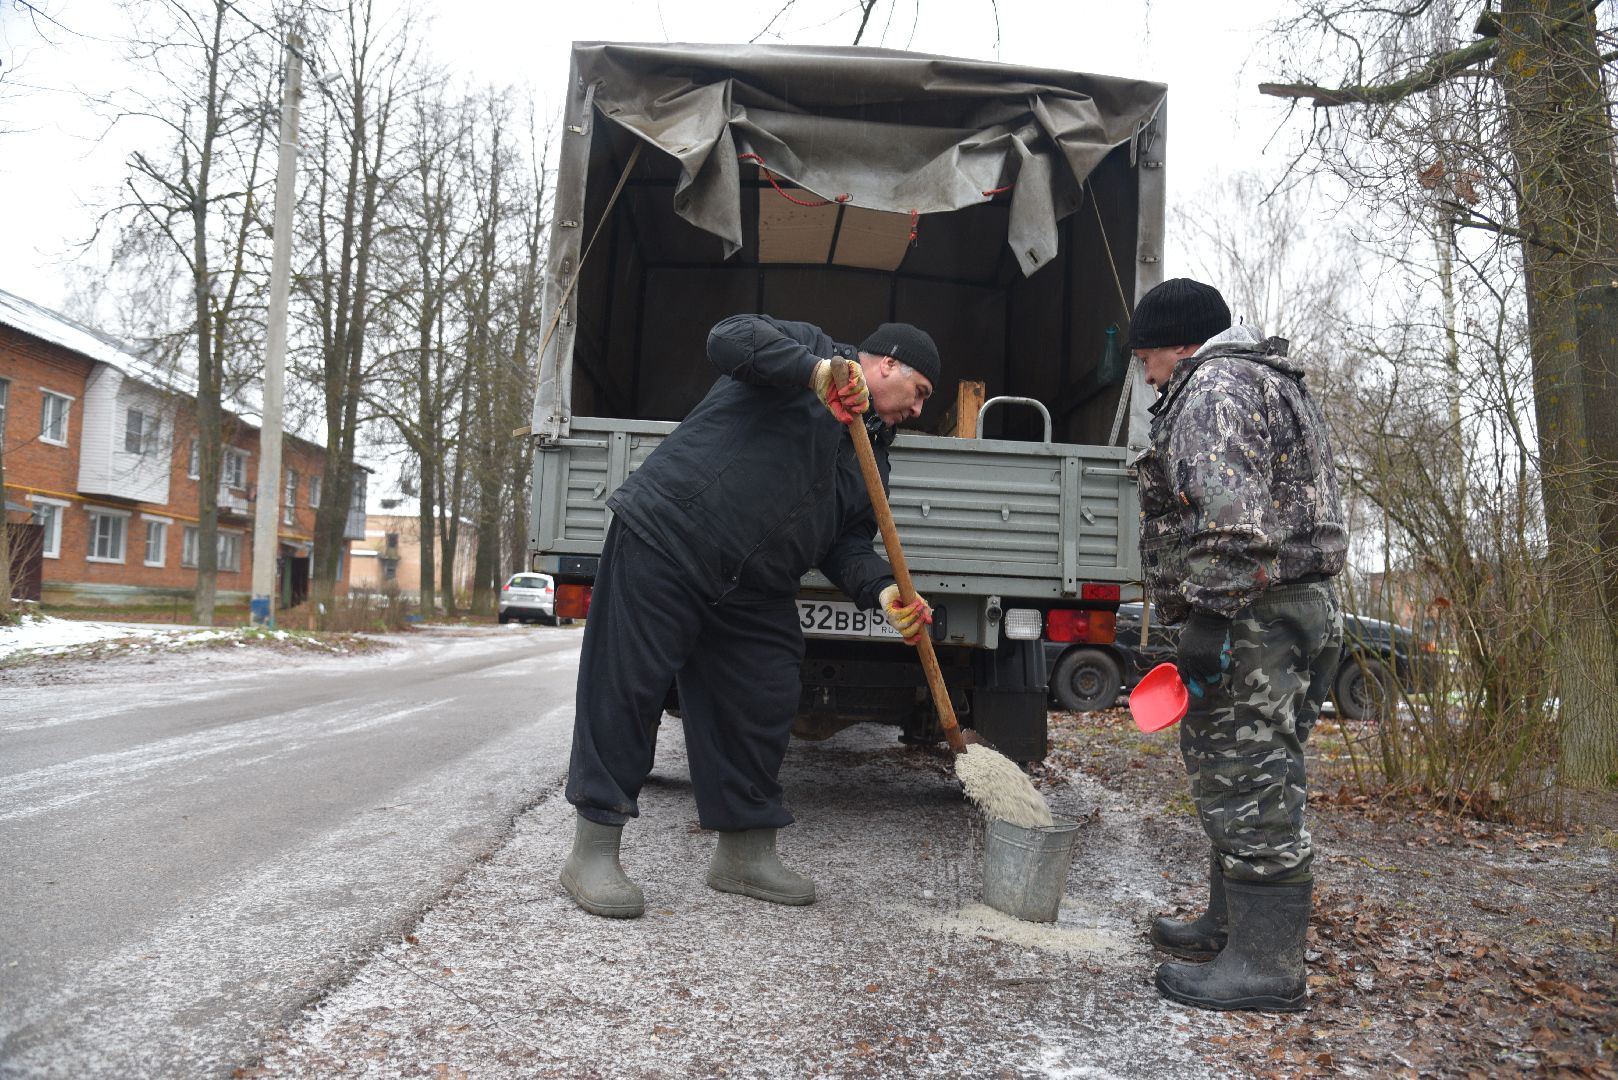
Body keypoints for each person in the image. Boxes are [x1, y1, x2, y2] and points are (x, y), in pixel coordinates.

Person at [560, 315, 941, 919]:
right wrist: (815, 374)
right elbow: (726, 337)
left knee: (763, 699)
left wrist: (882, 591)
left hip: (754, 589)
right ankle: (593, 851)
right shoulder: (809, 350)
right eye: (920, 392)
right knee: (625, 692)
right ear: (887, 364)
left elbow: (846, 546)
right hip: (669, 538)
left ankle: (742, 854)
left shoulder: (871, 457)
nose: (919, 410)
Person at [1128, 278, 1347, 1011]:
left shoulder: (1214, 387)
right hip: (1300, 607)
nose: (1146, 374)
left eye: (1146, 358)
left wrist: (1211, 615)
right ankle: (1231, 927)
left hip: (1254, 612)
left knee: (1246, 781)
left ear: (1177, 345)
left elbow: (1230, 516)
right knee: (1262, 771)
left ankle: (1266, 968)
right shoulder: (1268, 380)